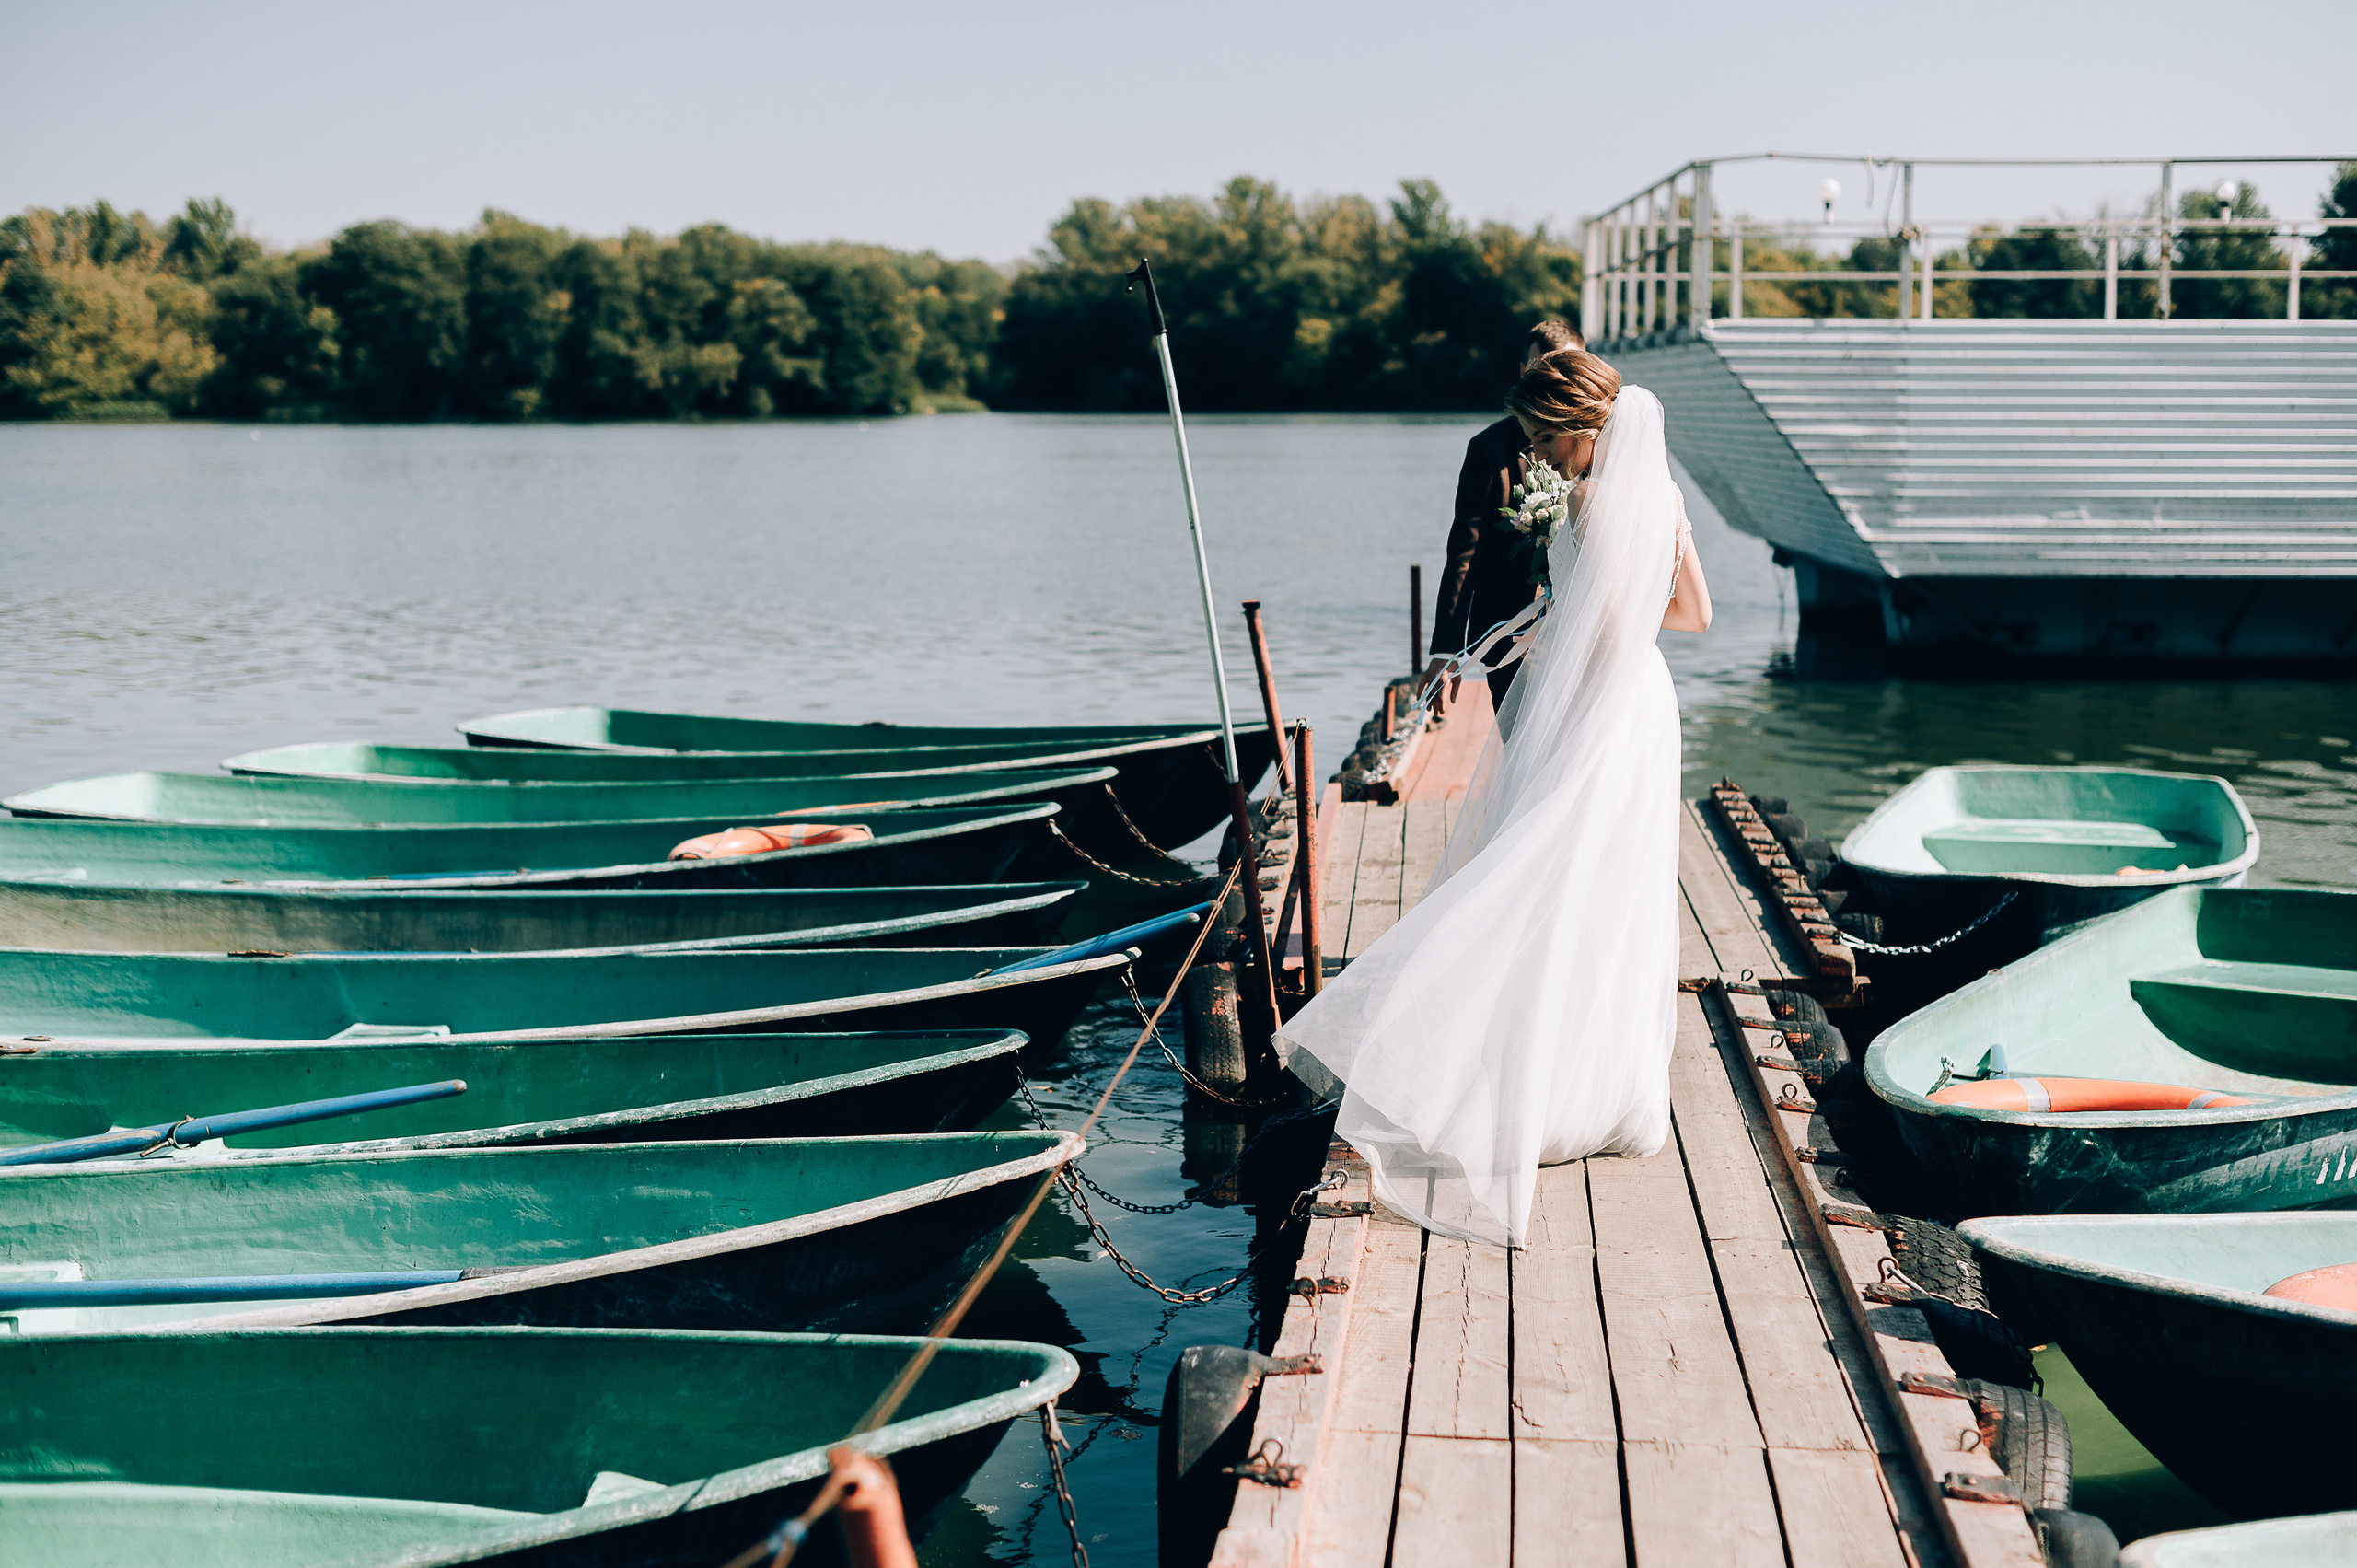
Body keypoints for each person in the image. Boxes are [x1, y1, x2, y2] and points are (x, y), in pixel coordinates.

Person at [1276, 350, 1712, 1249]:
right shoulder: (1664, 501)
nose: (1540, 457)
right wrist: (1590, 619)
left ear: (1590, 429)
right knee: (1609, 893)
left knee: (1532, 875)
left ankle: (1502, 1082)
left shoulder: (1588, 505)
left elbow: (1591, 628)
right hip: (1646, 704)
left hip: (1594, 707)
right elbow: (1692, 618)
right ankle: (1598, 1088)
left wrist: (1556, 633)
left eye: (1549, 438)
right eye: (1531, 439)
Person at [1423, 319, 1585, 721]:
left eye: (1564, 369)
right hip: (1510, 639)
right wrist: (1447, 650)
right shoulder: (1488, 450)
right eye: (1540, 369)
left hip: (1584, 637)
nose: (1551, 381)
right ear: (1522, 372)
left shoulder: (1602, 448)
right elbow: (1465, 553)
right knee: (1521, 761)